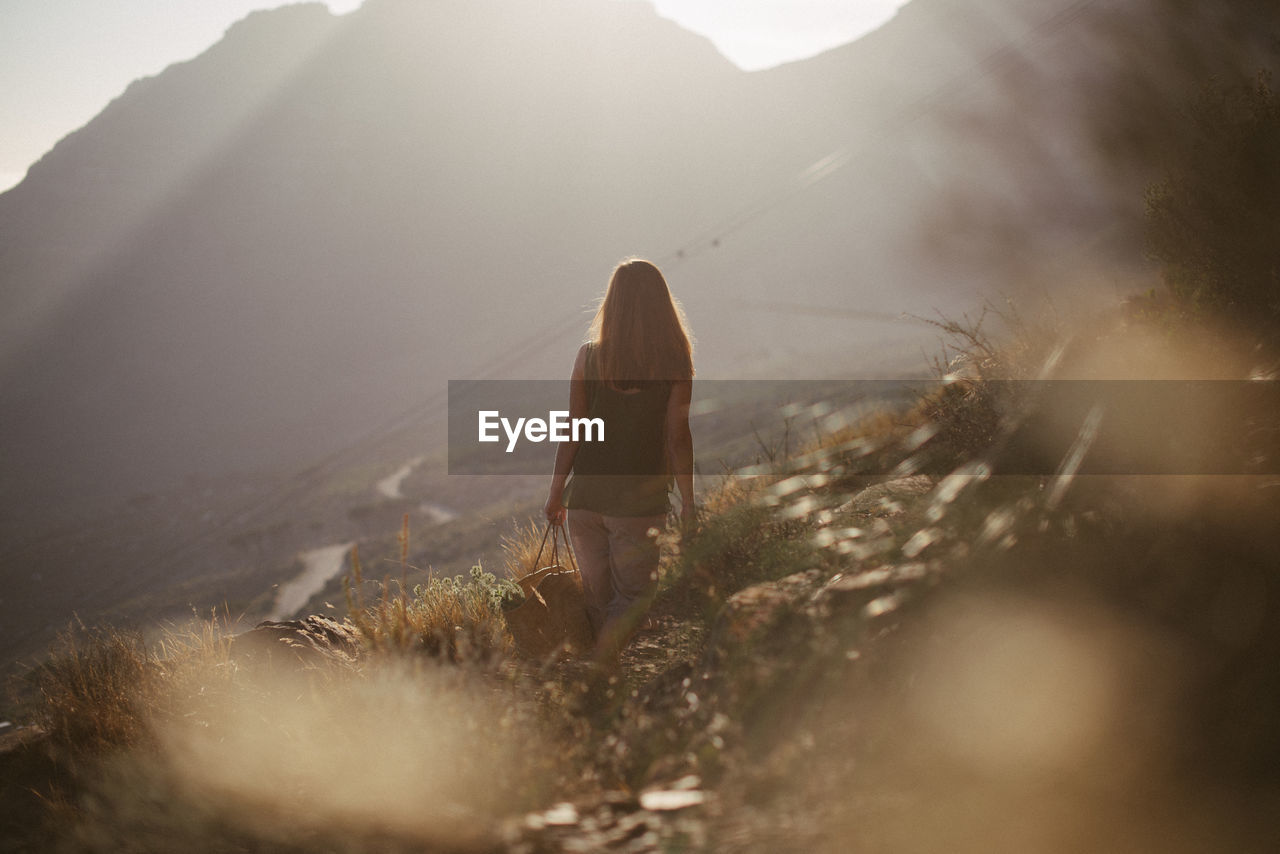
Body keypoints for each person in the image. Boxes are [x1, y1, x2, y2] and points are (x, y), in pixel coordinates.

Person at [543, 258, 694, 664]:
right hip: (638, 505)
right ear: (661, 305)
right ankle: (596, 672)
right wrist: (690, 502)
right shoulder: (675, 361)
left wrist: (556, 493)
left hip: (586, 499)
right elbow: (677, 437)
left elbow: (573, 430)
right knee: (633, 599)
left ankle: (598, 683)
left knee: (599, 598)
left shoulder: (589, 357)